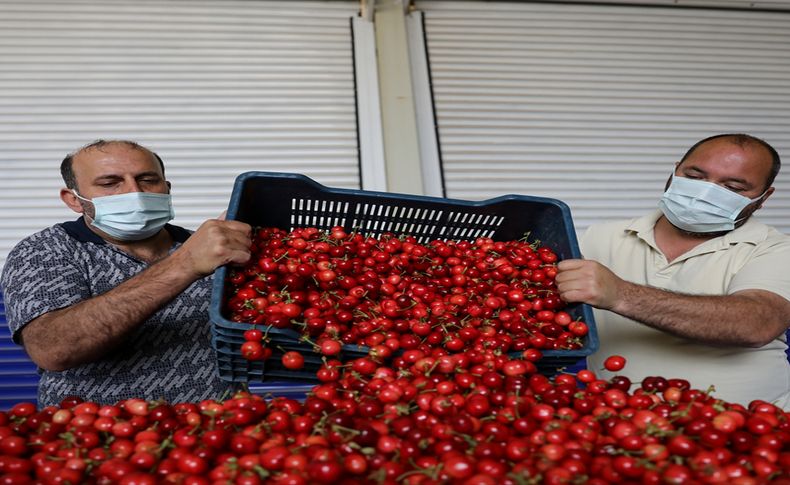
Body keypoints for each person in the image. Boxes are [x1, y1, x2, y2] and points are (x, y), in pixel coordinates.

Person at [0, 140, 253, 407]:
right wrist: (184, 265)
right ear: (73, 199)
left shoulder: (212, 249)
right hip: (98, 438)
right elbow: (53, 349)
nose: (134, 191)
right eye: (110, 183)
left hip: (221, 430)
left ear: (166, 189)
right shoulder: (45, 250)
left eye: (147, 179)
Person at [556, 133, 790, 408]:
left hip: (747, 425)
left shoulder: (776, 248)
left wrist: (620, 294)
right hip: (619, 422)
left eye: (733, 187)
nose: (706, 191)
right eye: (694, 176)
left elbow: (757, 323)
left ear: (764, 197)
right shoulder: (601, 236)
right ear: (675, 171)